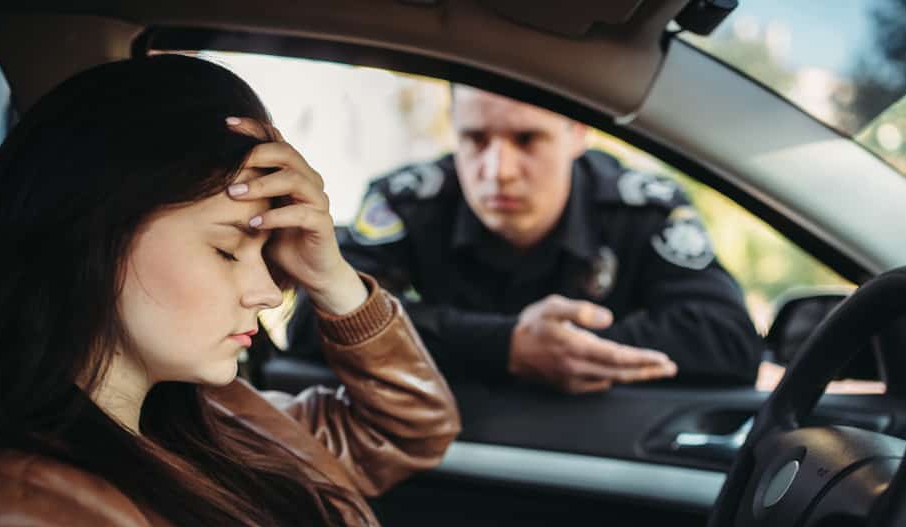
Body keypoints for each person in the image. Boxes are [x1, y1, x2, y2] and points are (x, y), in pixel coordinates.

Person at [0, 54, 461, 527]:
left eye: (268, 251)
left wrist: (330, 275)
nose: (267, 292)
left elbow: (411, 428)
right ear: (89, 236)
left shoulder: (212, 417)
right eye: (229, 249)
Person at [286, 85, 763, 394]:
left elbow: (728, 339)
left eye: (527, 139)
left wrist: (562, 348)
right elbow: (312, 321)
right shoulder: (409, 201)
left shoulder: (640, 207)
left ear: (578, 133)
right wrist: (505, 345)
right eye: (475, 139)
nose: (498, 171)